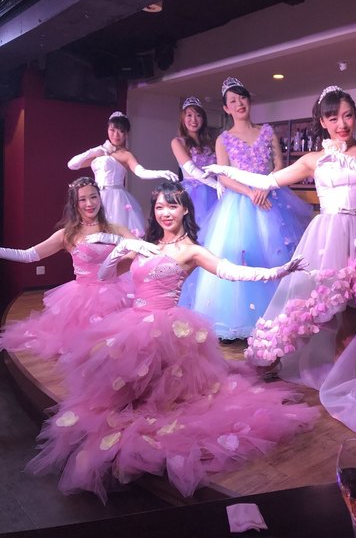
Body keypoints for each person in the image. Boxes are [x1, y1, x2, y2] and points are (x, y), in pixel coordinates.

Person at [27, 181, 318, 502]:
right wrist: (122, 249)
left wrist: (278, 271)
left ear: (185, 210)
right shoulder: (146, 244)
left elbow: (231, 272)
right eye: (160, 207)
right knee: (119, 391)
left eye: (173, 206)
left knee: (165, 400)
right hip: (132, 324)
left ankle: (141, 443)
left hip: (168, 330)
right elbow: (104, 275)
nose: (165, 213)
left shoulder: (191, 250)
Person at [206, 85, 356, 445]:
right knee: (326, 310)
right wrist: (221, 169)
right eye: (333, 118)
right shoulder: (311, 159)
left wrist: (346, 159)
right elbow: (267, 181)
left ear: (355, 116)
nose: (341, 124)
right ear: (322, 121)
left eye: (347, 115)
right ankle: (337, 371)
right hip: (329, 235)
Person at [180, 77, 313, 341]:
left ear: (249, 101)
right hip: (239, 203)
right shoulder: (223, 139)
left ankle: (282, 320)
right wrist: (251, 192)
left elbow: (280, 165)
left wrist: (267, 186)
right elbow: (223, 176)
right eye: (233, 100)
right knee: (242, 255)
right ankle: (242, 322)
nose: (239, 103)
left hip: (271, 197)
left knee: (276, 254)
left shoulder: (267, 131)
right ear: (226, 108)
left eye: (242, 98)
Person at [0, 177, 136, 359]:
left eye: (93, 197)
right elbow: (28, 255)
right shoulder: (67, 234)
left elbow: (139, 251)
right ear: (75, 203)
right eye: (82, 199)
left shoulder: (116, 229)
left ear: (100, 198)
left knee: (123, 345)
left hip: (116, 293)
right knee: (89, 349)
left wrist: (119, 265)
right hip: (83, 298)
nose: (90, 204)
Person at [68, 111, 178, 236]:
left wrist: (161, 173)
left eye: (121, 131)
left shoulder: (126, 155)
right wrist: (94, 151)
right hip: (96, 196)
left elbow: (141, 172)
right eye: (112, 130)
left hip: (115, 198)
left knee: (115, 233)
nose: (116, 135)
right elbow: (72, 165)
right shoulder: (99, 152)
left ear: (126, 134)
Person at [171, 96, 220, 228]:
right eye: (189, 115)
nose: (193, 120)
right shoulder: (178, 142)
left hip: (214, 192)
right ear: (183, 118)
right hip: (192, 192)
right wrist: (216, 185)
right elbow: (191, 169)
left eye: (198, 115)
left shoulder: (210, 143)